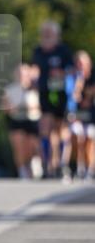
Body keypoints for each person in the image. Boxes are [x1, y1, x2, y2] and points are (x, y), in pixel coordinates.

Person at [30, 21, 74, 179]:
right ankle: (47, 164)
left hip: (61, 94)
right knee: (45, 128)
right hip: (45, 93)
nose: (47, 36)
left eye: (50, 33)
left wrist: (61, 73)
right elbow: (34, 69)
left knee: (61, 129)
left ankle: (62, 164)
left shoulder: (63, 51)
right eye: (44, 33)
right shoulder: (38, 51)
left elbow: (72, 70)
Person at [2, 63, 42, 179]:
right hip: (17, 120)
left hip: (32, 120)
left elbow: (42, 106)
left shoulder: (35, 88)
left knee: (33, 146)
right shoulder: (10, 89)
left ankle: (34, 164)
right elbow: (5, 108)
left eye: (24, 74)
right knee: (19, 146)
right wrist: (11, 108)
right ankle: (22, 170)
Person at [70, 50, 95, 180]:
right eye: (79, 63)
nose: (81, 66)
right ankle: (78, 166)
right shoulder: (74, 77)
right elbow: (75, 96)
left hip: (92, 115)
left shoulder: (93, 76)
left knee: (90, 139)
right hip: (78, 114)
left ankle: (90, 168)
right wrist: (79, 80)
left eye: (83, 63)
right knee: (78, 138)